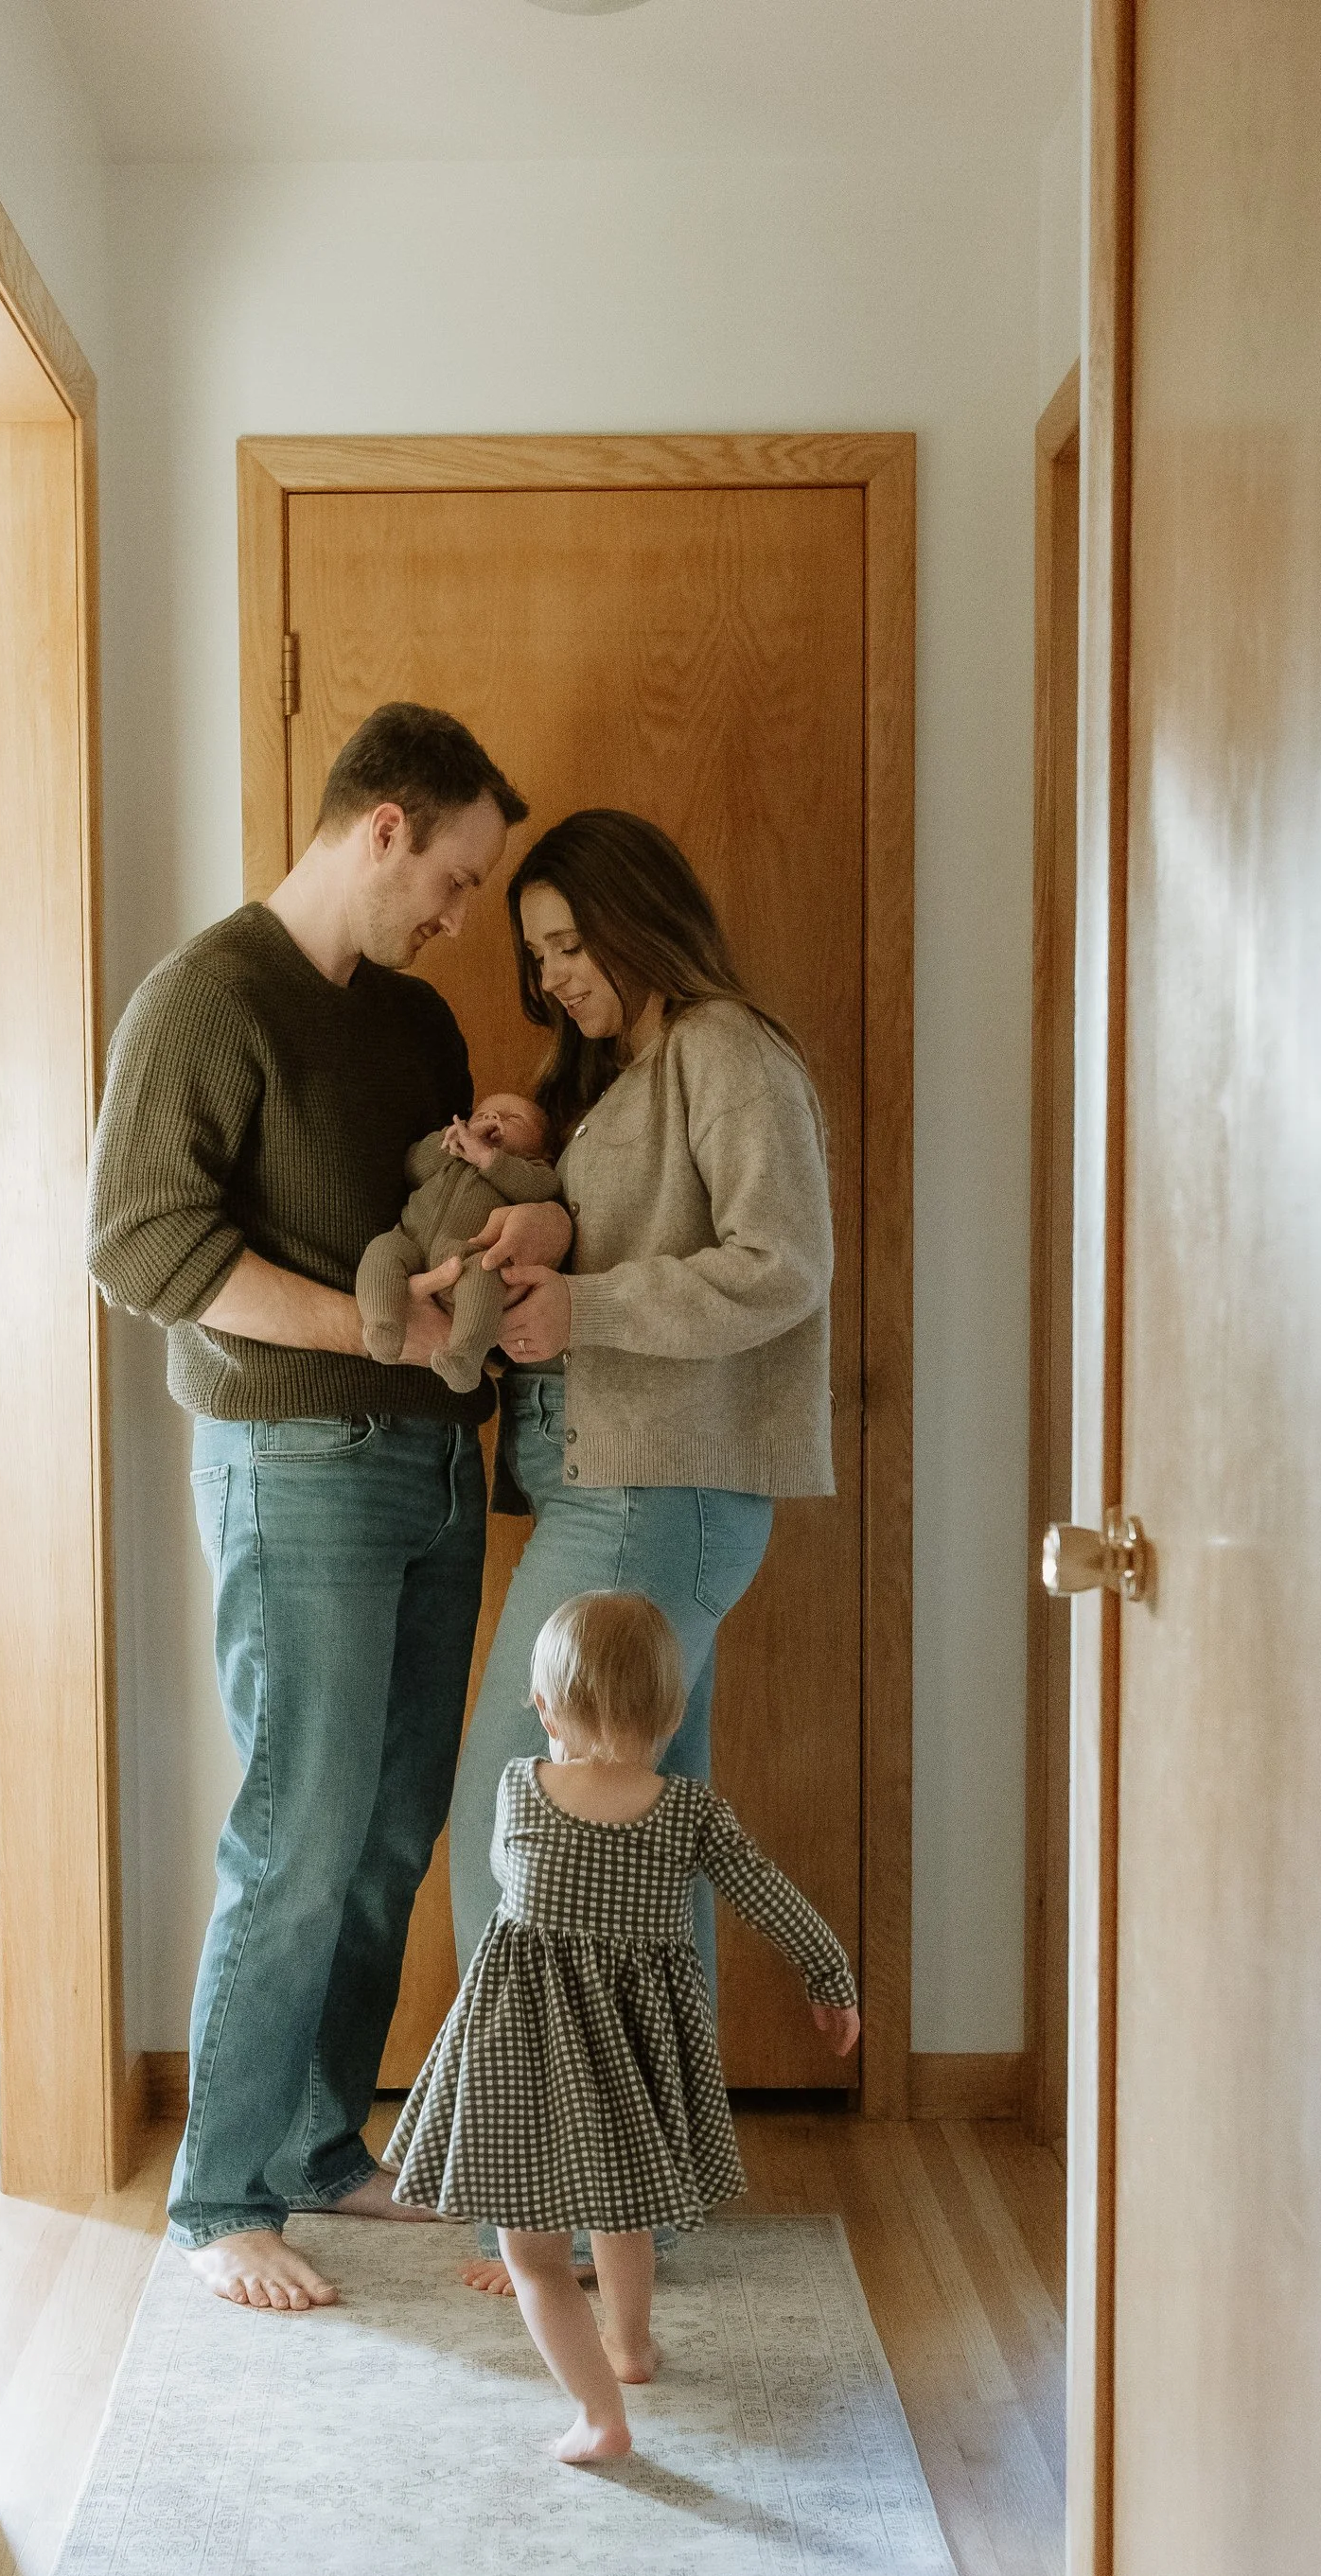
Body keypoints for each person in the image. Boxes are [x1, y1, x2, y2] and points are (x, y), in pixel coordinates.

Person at [87, 702, 530, 2313]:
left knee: (392, 1831)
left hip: (432, 1463)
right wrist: (372, 1330)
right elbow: (139, 1244)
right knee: (297, 1833)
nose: (460, 916)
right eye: (458, 877)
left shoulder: (413, 1023)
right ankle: (217, 2198)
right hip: (296, 1465)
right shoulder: (205, 998)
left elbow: (433, 1203)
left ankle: (320, 2144)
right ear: (384, 825)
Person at [439, 810, 837, 2293]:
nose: (553, 978)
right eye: (535, 955)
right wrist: (537, 1204)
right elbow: (631, 1236)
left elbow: (782, 1264)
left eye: (567, 945)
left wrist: (586, 1307)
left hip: (654, 1501)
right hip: (627, 1494)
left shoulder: (725, 1052)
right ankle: (640, 2206)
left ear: (635, 919)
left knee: (522, 1823)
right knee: (635, 1859)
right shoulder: (629, 1074)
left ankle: (537, 2201)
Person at [384, 1591, 859, 2462]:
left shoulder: (519, 1789)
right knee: (624, 2204)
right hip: (639, 2050)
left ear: (543, 1707)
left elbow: (507, 1879)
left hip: (528, 2047)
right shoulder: (691, 1813)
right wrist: (830, 1977)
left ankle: (600, 2416)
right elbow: (771, 1896)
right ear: (673, 1713)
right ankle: (631, 2347)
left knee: (534, 2259)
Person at [356, 1095, 560, 1393]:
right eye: (483, 1114)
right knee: (381, 1249)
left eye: (513, 1118)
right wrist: (449, 1142)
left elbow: (542, 1189)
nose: (493, 1118)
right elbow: (413, 1166)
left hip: (467, 1256)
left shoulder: (532, 1168)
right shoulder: (450, 1152)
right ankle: (383, 1324)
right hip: (409, 1240)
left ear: (544, 1151)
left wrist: (488, 1159)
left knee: (486, 1274)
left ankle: (464, 1357)